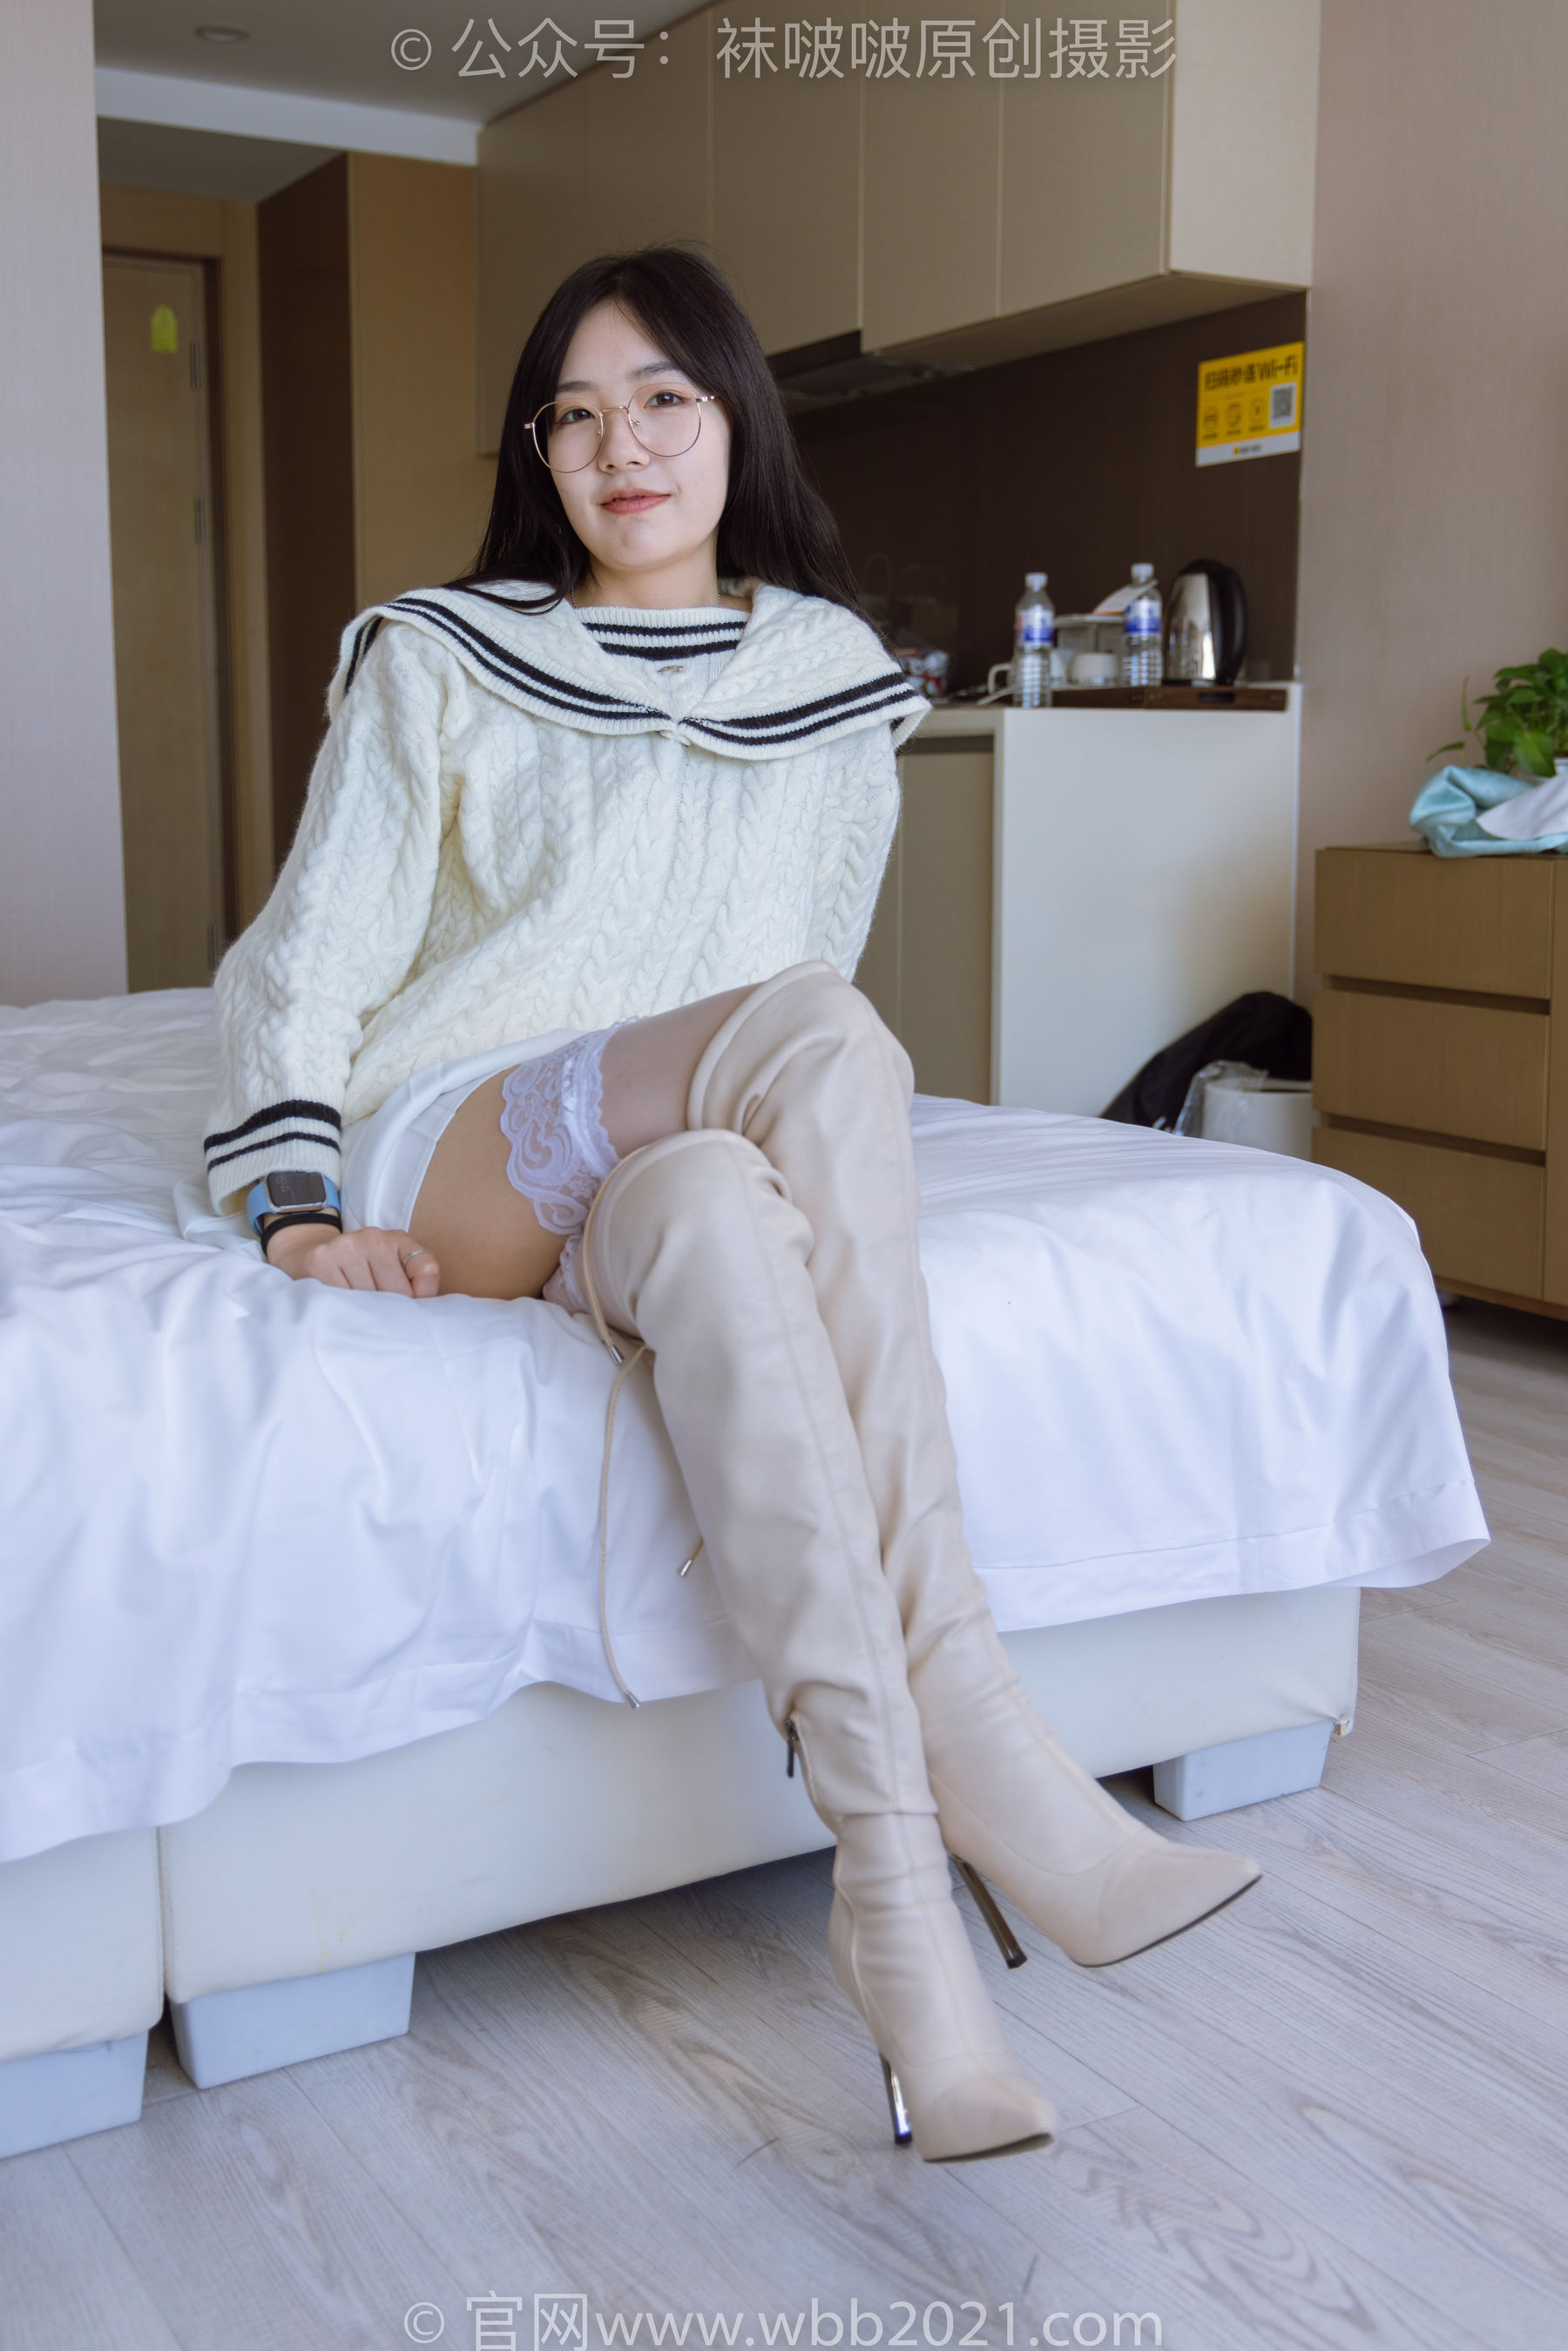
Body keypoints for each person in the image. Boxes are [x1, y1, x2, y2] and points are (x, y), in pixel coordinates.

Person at [204, 247, 1258, 2164]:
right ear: (539, 454)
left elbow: (791, 966)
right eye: (577, 415)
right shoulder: (438, 655)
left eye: (665, 401)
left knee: (713, 1195)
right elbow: (314, 954)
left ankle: (900, 1914)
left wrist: (763, 1151)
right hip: (472, 1141)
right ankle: (984, 1729)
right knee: (828, 1032)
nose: (623, 446)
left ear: (735, 422)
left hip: (676, 1151)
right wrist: (290, 1204)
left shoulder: (832, 683)